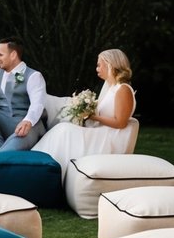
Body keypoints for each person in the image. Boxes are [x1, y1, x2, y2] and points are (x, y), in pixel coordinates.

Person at [32, 48, 137, 178]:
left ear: (110, 64)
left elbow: (121, 123)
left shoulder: (123, 89)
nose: (97, 68)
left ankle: (46, 172)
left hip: (111, 137)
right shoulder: (112, 88)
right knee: (63, 129)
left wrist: (93, 117)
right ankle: (38, 165)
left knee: (65, 130)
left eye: (99, 65)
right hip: (103, 132)